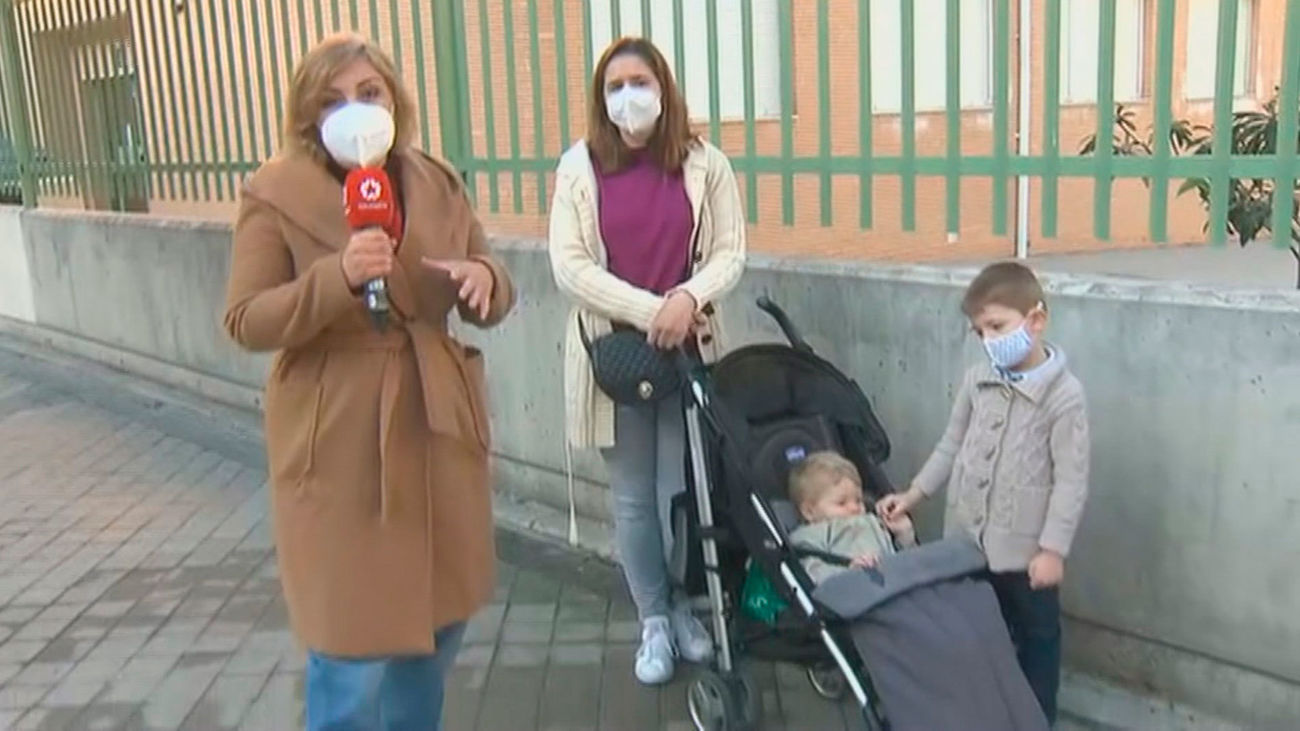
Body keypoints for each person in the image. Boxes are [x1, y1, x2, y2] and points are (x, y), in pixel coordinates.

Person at [222, 34, 514, 730]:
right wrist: (337, 277)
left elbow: (489, 275)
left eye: (369, 93)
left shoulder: (436, 181)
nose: (354, 110)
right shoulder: (274, 193)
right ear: (306, 115)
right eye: (332, 100)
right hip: (340, 437)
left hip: (435, 422)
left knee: (435, 629)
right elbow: (245, 317)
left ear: (395, 100)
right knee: (350, 649)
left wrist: (487, 283)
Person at [547, 36, 746, 685]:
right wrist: (650, 307)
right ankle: (654, 619)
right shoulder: (579, 167)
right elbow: (569, 265)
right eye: (614, 84)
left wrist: (688, 297)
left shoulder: (703, 162)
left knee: (680, 491)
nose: (627, 95)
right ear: (600, 98)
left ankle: (688, 608)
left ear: (664, 88)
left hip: (688, 351)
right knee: (633, 496)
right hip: (617, 353)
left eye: (640, 80)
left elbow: (729, 251)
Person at [877, 261, 1090, 724]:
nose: (989, 340)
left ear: (1036, 319)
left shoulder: (1063, 397)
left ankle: (1036, 719)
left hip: (1027, 558)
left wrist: (1053, 550)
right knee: (977, 639)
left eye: (997, 326)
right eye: (980, 332)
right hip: (968, 547)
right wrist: (915, 494)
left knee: (1037, 643)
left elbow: (1071, 481)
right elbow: (950, 443)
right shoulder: (978, 381)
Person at [787, 451, 917, 584]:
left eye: (859, 500)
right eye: (841, 503)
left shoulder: (873, 522)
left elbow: (906, 563)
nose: (854, 508)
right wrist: (848, 574)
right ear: (809, 512)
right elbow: (812, 572)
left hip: (894, 585)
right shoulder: (811, 535)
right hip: (852, 591)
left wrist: (905, 535)